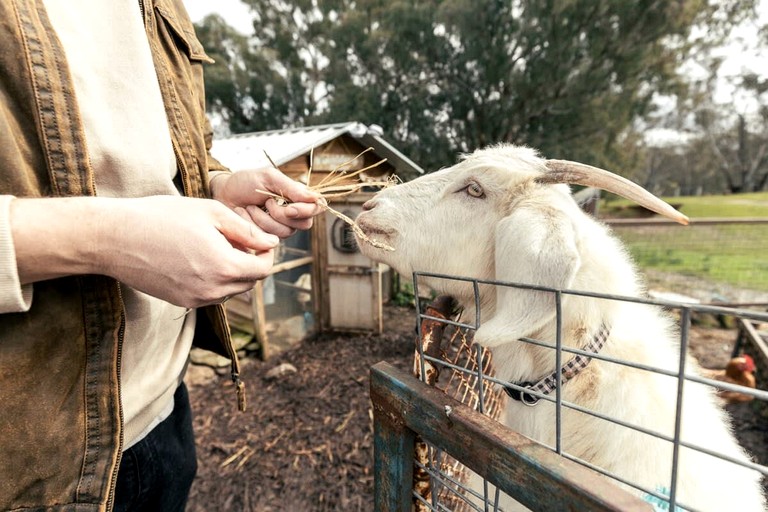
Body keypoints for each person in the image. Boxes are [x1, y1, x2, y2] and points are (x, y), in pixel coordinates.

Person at [0, 1, 323, 510]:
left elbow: (174, 156)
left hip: (164, 411)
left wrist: (216, 185)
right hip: (32, 468)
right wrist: (108, 240)